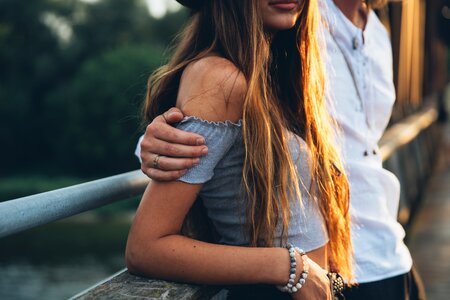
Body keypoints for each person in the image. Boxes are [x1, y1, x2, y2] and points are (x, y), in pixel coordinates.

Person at [137, 0, 427, 299]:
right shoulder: (219, 78)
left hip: (350, 270)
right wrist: (289, 266)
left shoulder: (274, 70)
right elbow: (146, 247)